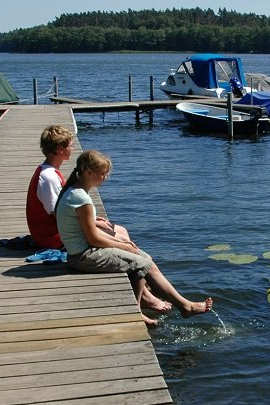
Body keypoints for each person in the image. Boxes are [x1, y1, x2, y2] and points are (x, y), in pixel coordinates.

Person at [55, 150, 212, 326]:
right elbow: (93, 239)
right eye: (102, 173)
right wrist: (122, 246)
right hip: (83, 257)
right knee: (143, 264)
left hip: (81, 252)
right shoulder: (81, 197)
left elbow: (86, 229)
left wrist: (121, 242)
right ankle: (184, 307)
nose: (105, 178)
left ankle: (143, 304)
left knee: (144, 258)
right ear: (88, 172)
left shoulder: (74, 190)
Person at [27, 126, 172, 312]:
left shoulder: (51, 172)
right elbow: (57, 212)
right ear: (60, 149)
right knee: (120, 237)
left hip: (59, 232)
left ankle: (144, 288)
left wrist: (95, 221)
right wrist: (98, 227)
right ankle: (146, 294)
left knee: (121, 233)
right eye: (71, 145)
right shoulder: (48, 177)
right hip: (53, 236)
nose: (73, 148)